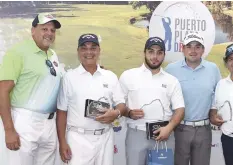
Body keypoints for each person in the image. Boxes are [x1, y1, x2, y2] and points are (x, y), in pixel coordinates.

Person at [0, 13, 62, 165]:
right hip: (24, 122)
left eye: (52, 30)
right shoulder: (18, 52)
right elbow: (2, 91)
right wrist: (9, 130)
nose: (49, 33)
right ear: (33, 30)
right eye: (44, 29)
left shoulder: (52, 55)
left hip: (48, 124)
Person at [56, 33, 127, 165]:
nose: (89, 52)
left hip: (106, 138)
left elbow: (121, 104)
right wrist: (62, 142)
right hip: (78, 140)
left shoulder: (110, 76)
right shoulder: (69, 78)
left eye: (93, 48)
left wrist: (116, 113)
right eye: (84, 48)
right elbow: (61, 112)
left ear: (99, 51)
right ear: (78, 51)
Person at [119, 36, 185, 165]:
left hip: (164, 135)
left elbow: (180, 109)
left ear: (164, 55)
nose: (155, 56)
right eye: (151, 51)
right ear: (144, 53)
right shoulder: (128, 76)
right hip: (136, 134)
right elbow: (119, 105)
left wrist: (169, 128)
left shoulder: (172, 81)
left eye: (159, 52)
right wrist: (129, 112)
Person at [165, 32, 221, 165]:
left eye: (197, 47)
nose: (193, 50)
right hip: (179, 129)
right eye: (189, 46)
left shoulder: (213, 69)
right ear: (182, 49)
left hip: (204, 129)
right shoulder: (171, 69)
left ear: (203, 50)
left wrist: (213, 113)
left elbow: (217, 96)